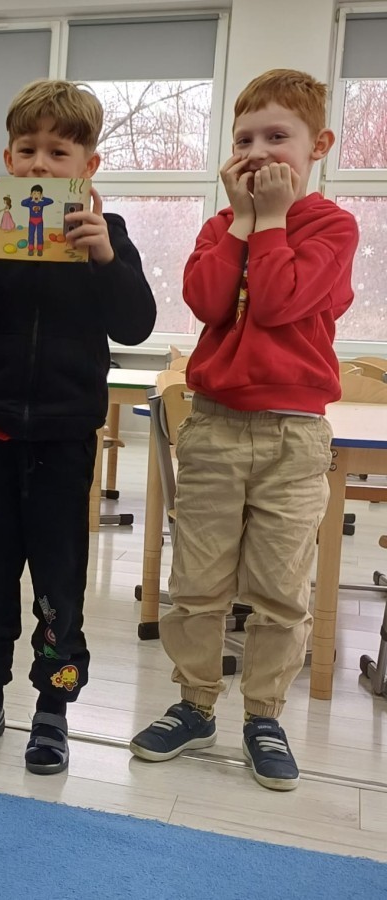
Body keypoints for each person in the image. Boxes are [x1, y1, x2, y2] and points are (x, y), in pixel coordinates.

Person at [130, 69, 358, 791]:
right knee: (196, 582)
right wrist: (239, 221)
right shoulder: (218, 226)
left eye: (277, 137)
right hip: (216, 426)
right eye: (244, 140)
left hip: (295, 435)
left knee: (280, 589)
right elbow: (205, 301)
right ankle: (195, 704)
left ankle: (263, 716)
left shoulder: (332, 227)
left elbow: (281, 302)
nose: (258, 153)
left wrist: (273, 220)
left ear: (318, 145)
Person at [0, 79, 156, 774]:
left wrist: (105, 258)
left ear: (88, 165)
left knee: (60, 585)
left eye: (59, 152)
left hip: (63, 442)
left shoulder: (107, 235)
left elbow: (135, 324)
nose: (40, 163)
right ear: (7, 157)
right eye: (27, 149)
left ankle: (54, 707)